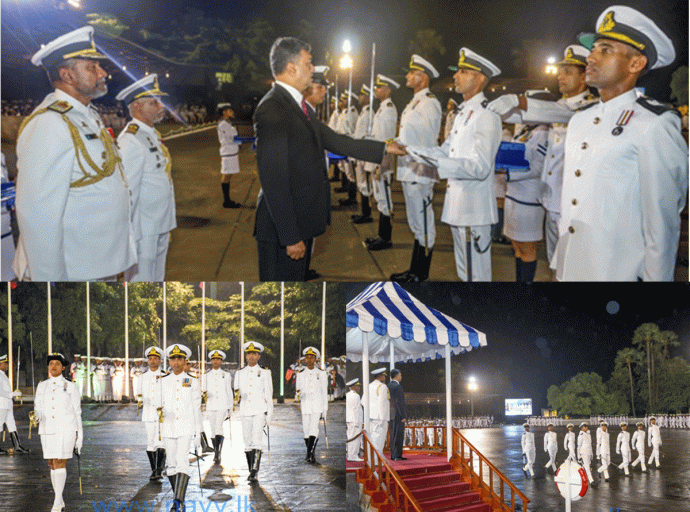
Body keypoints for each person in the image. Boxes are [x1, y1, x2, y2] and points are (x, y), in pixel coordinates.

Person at [252, 37, 400, 281]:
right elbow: (273, 180)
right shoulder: (273, 108)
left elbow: (337, 141)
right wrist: (290, 236)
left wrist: (384, 148)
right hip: (282, 231)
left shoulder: (299, 107)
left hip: (298, 222)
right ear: (291, 68)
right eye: (308, 64)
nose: (312, 69)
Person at [555, 7, 686, 280]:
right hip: (572, 266)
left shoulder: (654, 124)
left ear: (635, 64)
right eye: (593, 50)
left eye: (604, 50)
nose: (590, 57)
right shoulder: (580, 120)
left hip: (616, 273)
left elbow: (661, 227)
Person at [12, 26, 136, 281]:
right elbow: (37, 214)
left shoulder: (86, 114)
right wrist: (50, 281)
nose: (103, 73)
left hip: (93, 261)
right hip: (70, 269)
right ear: (67, 75)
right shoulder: (49, 124)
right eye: (92, 67)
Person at [404, 48, 502, 282]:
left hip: (473, 211)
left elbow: (480, 168)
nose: (456, 76)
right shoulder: (462, 113)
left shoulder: (486, 115)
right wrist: (408, 150)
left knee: (475, 277)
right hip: (459, 208)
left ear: (479, 79)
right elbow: (443, 150)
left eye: (463, 71)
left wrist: (441, 164)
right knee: (464, 273)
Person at [116, 74, 176, 281]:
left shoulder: (150, 134)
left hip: (160, 221)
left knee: (157, 279)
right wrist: (126, 232)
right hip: (143, 227)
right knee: (140, 281)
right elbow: (128, 190)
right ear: (137, 107)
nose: (162, 106)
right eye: (154, 102)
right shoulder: (130, 140)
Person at [390, 54, 442, 283]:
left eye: (412, 73)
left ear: (423, 77)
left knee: (424, 224)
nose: (407, 76)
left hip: (420, 171)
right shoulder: (414, 102)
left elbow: (429, 141)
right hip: (409, 169)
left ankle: (422, 273)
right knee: (415, 222)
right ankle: (414, 270)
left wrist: (408, 149)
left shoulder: (430, 103)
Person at [153, 344, 201, 511]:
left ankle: (177, 501)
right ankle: (179, 498)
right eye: (173, 359)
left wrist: (198, 432)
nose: (176, 362)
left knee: (182, 462)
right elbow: (157, 403)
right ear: (169, 361)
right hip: (168, 427)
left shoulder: (193, 382)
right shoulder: (162, 381)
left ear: (184, 361)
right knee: (171, 465)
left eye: (179, 359)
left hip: (186, 427)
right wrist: (160, 410)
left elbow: (197, 408)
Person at [502, 115, 549, 282]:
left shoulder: (542, 132)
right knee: (517, 246)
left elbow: (538, 167)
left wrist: (508, 173)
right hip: (512, 194)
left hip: (529, 198)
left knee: (528, 249)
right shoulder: (526, 129)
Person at [34, 353, 82, 512]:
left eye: (57, 364)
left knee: (60, 462)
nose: (53, 366)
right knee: (52, 464)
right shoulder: (42, 386)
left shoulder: (71, 386)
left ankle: (56, 502)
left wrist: (79, 435)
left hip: (65, 429)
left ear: (63, 367)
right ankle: (59, 499)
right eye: (51, 363)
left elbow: (77, 412)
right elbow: (38, 407)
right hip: (47, 429)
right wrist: (37, 416)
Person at [364, 75, 400, 252]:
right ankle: (381, 235)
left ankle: (386, 238)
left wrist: (381, 161)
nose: (376, 90)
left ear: (388, 90)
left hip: (382, 161)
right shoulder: (381, 109)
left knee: (385, 199)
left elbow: (387, 140)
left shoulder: (389, 109)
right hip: (376, 159)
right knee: (379, 198)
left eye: (379, 87)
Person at [234, 342, 273, 482]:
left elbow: (268, 394)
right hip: (245, 410)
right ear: (246, 356)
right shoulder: (239, 373)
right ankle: (251, 468)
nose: (250, 356)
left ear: (258, 356)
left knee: (257, 440)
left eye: (253, 354)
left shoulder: (265, 372)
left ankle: (254, 471)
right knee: (247, 441)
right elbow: (236, 392)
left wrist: (269, 414)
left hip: (259, 409)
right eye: (248, 354)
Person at [295, 346, 328, 463]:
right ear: (305, 359)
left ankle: (309, 454)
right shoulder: (300, 373)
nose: (309, 360)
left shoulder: (321, 373)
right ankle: (311, 453)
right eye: (307, 357)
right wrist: (298, 396)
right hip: (305, 404)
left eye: (311, 357)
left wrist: (325, 409)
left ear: (316, 359)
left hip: (317, 404)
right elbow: (297, 390)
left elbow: (324, 392)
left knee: (314, 427)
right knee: (306, 429)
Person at [139, 346, 167, 481]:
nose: (152, 361)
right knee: (150, 441)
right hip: (149, 413)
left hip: (163, 414)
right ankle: (154, 470)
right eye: (150, 359)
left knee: (161, 441)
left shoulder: (166, 375)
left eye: (155, 358)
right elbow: (138, 394)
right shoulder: (143, 377)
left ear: (160, 360)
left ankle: (160, 469)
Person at [204, 349, 233, 463]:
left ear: (221, 361)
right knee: (212, 429)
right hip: (211, 405)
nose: (215, 361)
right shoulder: (206, 375)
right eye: (213, 359)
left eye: (218, 359)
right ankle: (216, 449)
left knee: (218, 427)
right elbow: (204, 390)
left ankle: (217, 453)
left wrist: (230, 407)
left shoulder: (226, 375)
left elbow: (229, 391)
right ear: (211, 361)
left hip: (222, 404)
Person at [0, 354, 28, 454]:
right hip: (1, 405)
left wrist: (14, 394)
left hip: (7, 405)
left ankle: (17, 445)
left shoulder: (3, 375)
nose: (7, 366)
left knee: (12, 426)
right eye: (5, 364)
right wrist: (12, 394)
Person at [217, 103, 242, 208]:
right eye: (230, 110)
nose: (232, 112)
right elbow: (233, 139)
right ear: (224, 112)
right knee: (226, 176)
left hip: (231, 153)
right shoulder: (223, 124)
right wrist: (250, 139)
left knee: (229, 175)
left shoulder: (227, 123)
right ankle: (226, 201)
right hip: (228, 153)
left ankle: (227, 200)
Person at [368, 367, 390, 461]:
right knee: (379, 439)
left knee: (373, 438)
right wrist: (382, 418)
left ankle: (372, 458)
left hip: (371, 416)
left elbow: (363, 401)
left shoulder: (369, 385)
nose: (384, 378)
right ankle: (376, 460)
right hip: (380, 417)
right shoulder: (382, 387)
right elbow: (382, 402)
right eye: (384, 376)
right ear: (381, 376)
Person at [387, 369, 406, 461]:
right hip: (397, 414)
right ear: (397, 375)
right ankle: (397, 455)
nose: (401, 377)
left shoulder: (388, 386)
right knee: (398, 435)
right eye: (400, 375)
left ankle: (394, 454)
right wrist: (403, 416)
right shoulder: (397, 387)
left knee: (393, 435)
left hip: (391, 414)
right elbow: (399, 403)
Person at [345, 378, 363, 462]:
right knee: (355, 438)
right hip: (355, 420)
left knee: (350, 437)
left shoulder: (348, 395)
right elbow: (356, 409)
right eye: (358, 386)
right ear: (354, 386)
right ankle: (353, 455)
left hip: (350, 419)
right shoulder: (356, 396)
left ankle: (350, 454)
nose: (359, 387)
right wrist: (357, 422)